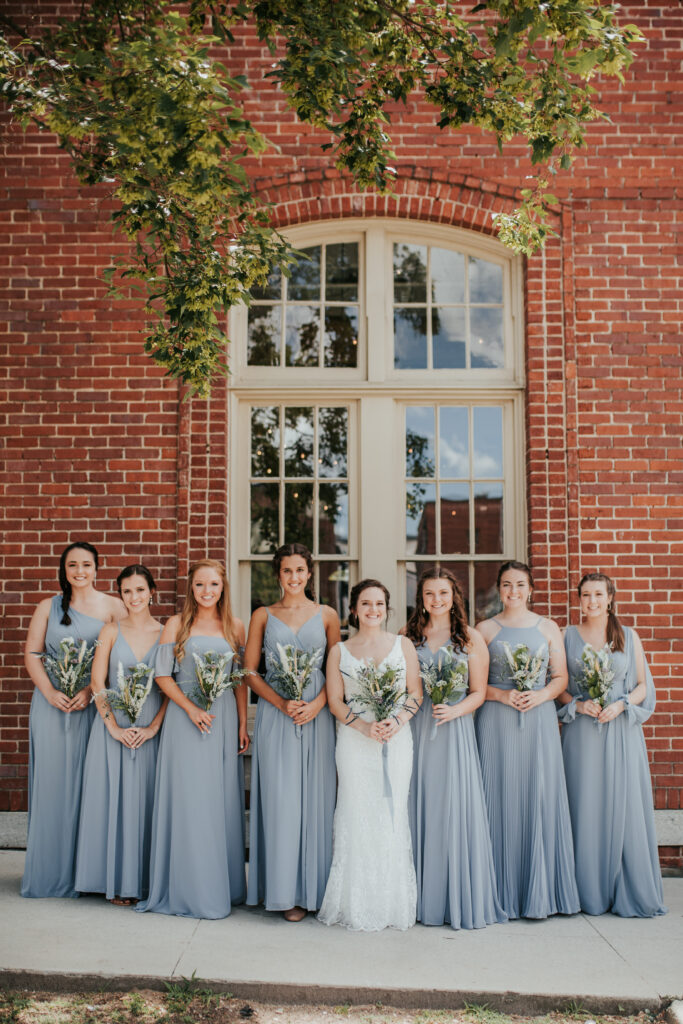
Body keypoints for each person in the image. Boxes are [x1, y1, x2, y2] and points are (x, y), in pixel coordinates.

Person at [137, 560, 248, 918]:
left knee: (217, 800)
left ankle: (220, 885)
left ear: (222, 587)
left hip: (223, 718)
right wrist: (189, 709)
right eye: (200, 585)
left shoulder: (235, 626)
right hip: (186, 721)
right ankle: (186, 888)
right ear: (191, 588)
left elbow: (241, 680)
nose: (206, 591)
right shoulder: (175, 624)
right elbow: (163, 676)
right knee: (188, 800)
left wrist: (243, 725)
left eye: (213, 584)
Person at [475, 561, 580, 919]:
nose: (513, 591)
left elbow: (561, 677)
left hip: (537, 721)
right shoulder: (485, 629)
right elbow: (473, 685)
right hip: (496, 722)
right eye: (506, 584)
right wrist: (502, 696)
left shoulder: (549, 627)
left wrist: (541, 696)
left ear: (530, 589)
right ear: (498, 589)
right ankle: (497, 891)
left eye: (520, 584)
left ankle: (539, 893)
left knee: (538, 796)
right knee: (497, 796)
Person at [558, 572, 666, 917]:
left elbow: (641, 686)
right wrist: (577, 703)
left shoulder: (628, 637)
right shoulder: (566, 637)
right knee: (584, 803)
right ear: (580, 600)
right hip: (582, 734)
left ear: (610, 598)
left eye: (598, 595)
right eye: (586, 595)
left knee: (624, 803)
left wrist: (621, 705)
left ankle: (626, 887)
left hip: (620, 730)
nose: (592, 601)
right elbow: (557, 685)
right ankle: (586, 891)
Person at [405, 567, 506, 930]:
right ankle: (415, 898)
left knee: (452, 807)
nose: (436, 600)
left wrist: (456, 709)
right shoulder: (407, 635)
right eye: (429, 594)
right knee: (416, 803)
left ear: (454, 597)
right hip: (415, 728)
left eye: (443, 593)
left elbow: (479, 691)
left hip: (454, 728)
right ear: (421, 598)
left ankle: (452, 897)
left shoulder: (470, 637)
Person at [21, 541, 124, 898]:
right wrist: (50, 692)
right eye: (72, 566)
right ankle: (51, 874)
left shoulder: (114, 606)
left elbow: (124, 657)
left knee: (91, 786)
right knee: (54, 785)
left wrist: (93, 692)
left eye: (86, 565)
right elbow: (33, 653)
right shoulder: (47, 607)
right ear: (63, 571)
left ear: (97, 568)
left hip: (94, 706)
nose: (79, 572)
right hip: (51, 706)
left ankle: (88, 874)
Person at [244, 543, 341, 921]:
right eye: (287, 571)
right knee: (282, 799)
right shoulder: (263, 616)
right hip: (276, 715)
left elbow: (338, 668)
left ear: (310, 573)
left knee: (316, 800)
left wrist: (317, 705)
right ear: (278, 575)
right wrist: (281, 703)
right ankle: (283, 892)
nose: (294, 577)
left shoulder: (327, 614)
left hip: (318, 717)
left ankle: (313, 891)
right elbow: (250, 671)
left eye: (300, 570)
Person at [318, 579, 421, 931]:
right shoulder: (339, 651)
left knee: (391, 814)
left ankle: (392, 904)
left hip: (396, 740)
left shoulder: (402, 645)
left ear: (387, 608)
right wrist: (364, 727)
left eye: (379, 604)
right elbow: (334, 701)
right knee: (355, 811)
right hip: (354, 742)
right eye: (366, 604)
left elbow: (415, 694)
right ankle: (354, 902)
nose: (373, 610)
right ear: (354, 609)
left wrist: (395, 721)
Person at [74, 565, 167, 905]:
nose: (134, 598)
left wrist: (154, 727)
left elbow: (172, 688)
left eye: (140, 590)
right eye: (127, 591)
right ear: (120, 594)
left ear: (151, 591)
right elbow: (98, 683)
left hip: (150, 732)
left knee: (148, 803)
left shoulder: (166, 632)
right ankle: (114, 880)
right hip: (113, 727)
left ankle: (143, 881)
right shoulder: (110, 630)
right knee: (112, 801)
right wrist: (112, 726)